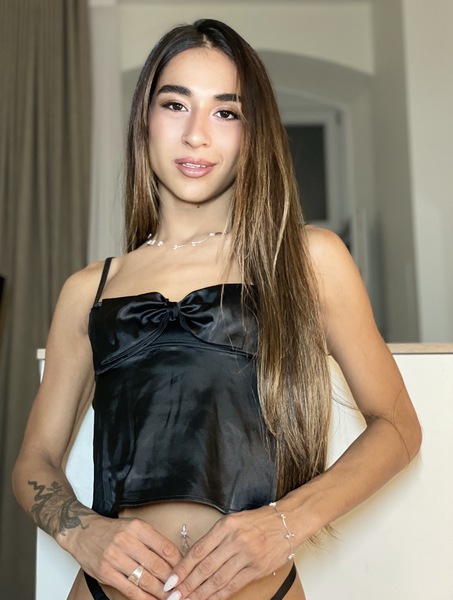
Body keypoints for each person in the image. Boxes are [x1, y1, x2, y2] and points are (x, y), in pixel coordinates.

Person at [12, 18, 421, 600]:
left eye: (226, 112)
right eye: (176, 105)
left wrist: (286, 524)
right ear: (145, 119)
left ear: (253, 133)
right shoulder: (89, 289)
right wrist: (84, 535)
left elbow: (399, 427)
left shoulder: (307, 260)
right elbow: (34, 461)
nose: (196, 135)